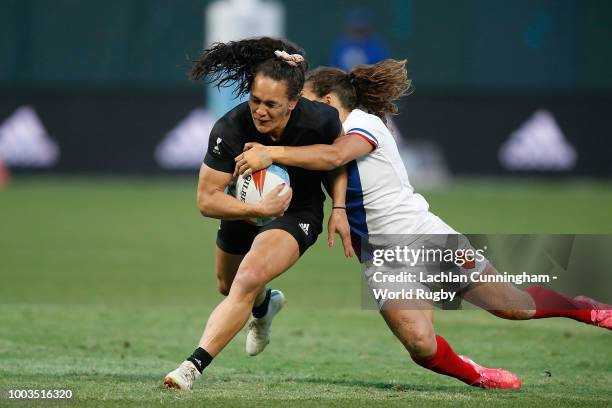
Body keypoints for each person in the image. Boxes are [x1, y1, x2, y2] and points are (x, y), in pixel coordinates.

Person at [234, 59, 612, 389]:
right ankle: (478, 375)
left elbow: (334, 155)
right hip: (380, 259)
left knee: (515, 308)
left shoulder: (366, 124)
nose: (300, 114)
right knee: (420, 345)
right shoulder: (314, 138)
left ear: (329, 103)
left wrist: (274, 152)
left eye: (308, 105)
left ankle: (584, 308)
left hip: (423, 238)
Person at [163, 37, 352, 390]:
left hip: (298, 211)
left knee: (247, 277)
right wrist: (255, 209)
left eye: (271, 104)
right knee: (226, 285)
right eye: (254, 100)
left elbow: (336, 161)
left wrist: (338, 206)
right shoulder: (230, 129)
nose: (260, 110)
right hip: (243, 208)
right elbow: (206, 201)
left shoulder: (321, 120)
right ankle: (265, 306)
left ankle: (191, 367)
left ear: (293, 103)